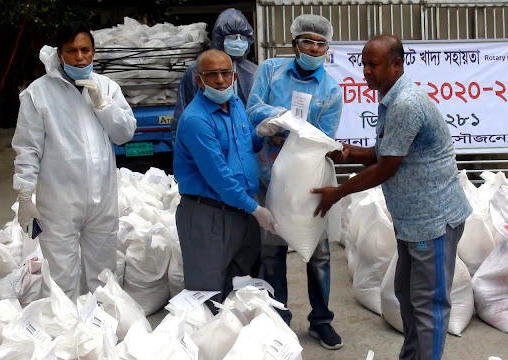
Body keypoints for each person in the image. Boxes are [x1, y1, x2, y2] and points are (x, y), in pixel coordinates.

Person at [311, 35, 472, 360]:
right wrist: (349, 152)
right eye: (364, 64)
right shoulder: (391, 99)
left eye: (374, 64)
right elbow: (388, 153)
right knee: (408, 295)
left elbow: (386, 167)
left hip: (433, 222)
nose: (366, 72)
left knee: (427, 305)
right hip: (412, 222)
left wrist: (338, 193)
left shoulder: (405, 104)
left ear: (396, 64)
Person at [12, 23, 137, 300]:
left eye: (85, 50)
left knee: (103, 274)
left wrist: (103, 105)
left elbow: (124, 133)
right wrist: (24, 194)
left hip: (102, 200)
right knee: (61, 277)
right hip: (59, 203)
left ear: (93, 52)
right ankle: (66, 333)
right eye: (72, 51)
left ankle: (99, 330)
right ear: (60, 55)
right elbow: (27, 148)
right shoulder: (39, 93)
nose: (80, 57)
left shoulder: (107, 87)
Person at [247, 14, 343, 350]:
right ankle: (279, 319)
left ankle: (321, 321)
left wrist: (294, 135)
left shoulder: (331, 89)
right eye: (308, 42)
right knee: (272, 252)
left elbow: (325, 138)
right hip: (267, 175)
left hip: (307, 182)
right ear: (294, 44)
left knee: (318, 254)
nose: (314, 49)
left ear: (327, 48)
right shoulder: (271, 70)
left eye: (321, 44)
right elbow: (252, 108)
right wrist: (273, 118)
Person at [174, 49, 278, 305]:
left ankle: (234, 340)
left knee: (242, 287)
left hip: (240, 213)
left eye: (225, 73)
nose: (220, 80)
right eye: (212, 75)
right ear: (199, 80)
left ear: (233, 75)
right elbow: (219, 176)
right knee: (207, 293)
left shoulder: (235, 105)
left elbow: (244, 148)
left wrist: (260, 133)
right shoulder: (196, 120)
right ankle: (207, 343)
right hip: (208, 215)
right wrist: (256, 209)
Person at [171, 8, 258, 144]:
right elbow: (183, 112)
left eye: (243, 37)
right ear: (219, 37)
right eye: (232, 37)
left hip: (244, 141)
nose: (220, 80)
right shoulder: (197, 70)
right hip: (208, 137)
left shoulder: (253, 72)